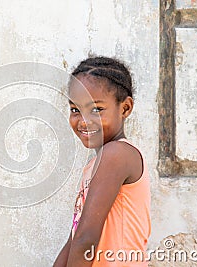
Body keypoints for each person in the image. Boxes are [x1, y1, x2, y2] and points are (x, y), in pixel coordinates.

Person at [53, 56, 151, 267]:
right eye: (75, 110)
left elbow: (86, 238)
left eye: (96, 109)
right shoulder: (95, 164)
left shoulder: (117, 154)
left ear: (125, 108)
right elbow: (76, 236)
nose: (83, 120)